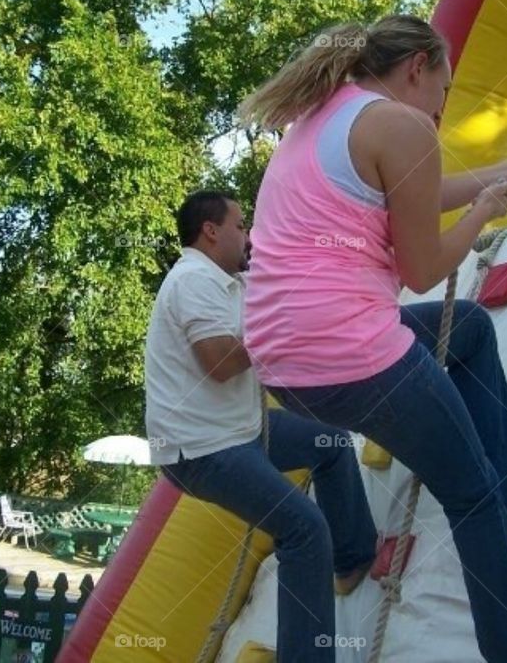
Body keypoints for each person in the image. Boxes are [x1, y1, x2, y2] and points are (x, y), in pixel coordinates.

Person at [240, 14, 507, 662]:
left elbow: (416, 195)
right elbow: (423, 269)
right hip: (352, 357)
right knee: (469, 498)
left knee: (469, 328)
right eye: (443, 90)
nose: (443, 106)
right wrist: (483, 214)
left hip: (283, 367)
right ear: (417, 69)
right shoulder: (402, 124)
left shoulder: (321, 116)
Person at [145, 190, 378, 662]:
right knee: (304, 529)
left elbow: (290, 281)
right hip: (203, 451)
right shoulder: (192, 279)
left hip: (240, 432)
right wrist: (279, 331)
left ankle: (351, 560)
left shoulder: (231, 282)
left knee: (329, 442)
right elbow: (220, 363)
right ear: (210, 231)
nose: (247, 236)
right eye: (240, 226)